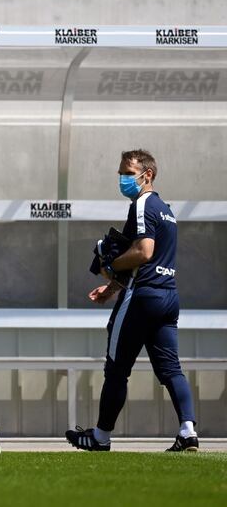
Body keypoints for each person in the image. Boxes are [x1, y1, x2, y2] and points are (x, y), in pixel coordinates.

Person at [66, 149, 198, 452]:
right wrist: (112, 287)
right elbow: (147, 261)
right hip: (167, 296)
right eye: (121, 173)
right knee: (171, 369)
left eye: (127, 172)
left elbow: (143, 252)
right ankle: (188, 431)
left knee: (116, 369)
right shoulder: (167, 209)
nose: (123, 178)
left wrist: (109, 267)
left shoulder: (141, 203)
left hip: (141, 297)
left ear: (146, 174)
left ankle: (99, 437)